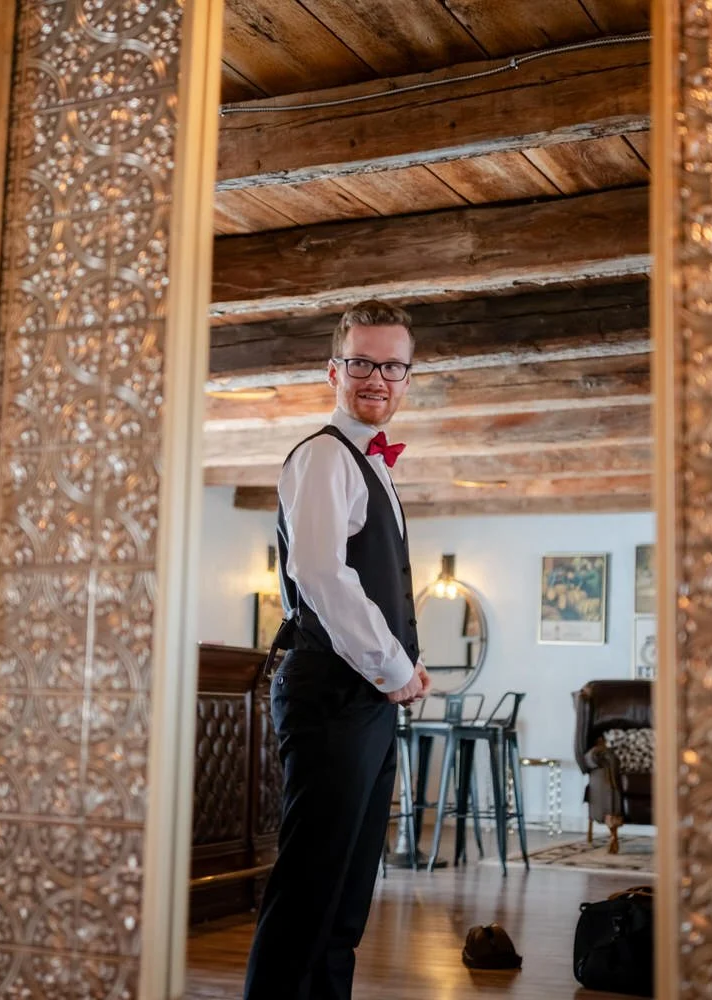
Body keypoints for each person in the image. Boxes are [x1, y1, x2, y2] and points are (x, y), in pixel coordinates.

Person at [243, 301, 432, 1000]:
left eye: (391, 365)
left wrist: (405, 665)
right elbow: (320, 574)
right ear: (334, 370)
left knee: (345, 902)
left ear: (407, 377)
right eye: (361, 362)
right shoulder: (324, 454)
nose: (376, 378)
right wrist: (392, 667)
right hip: (331, 694)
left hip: (366, 695)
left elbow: (371, 583)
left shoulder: (371, 464)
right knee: (309, 892)